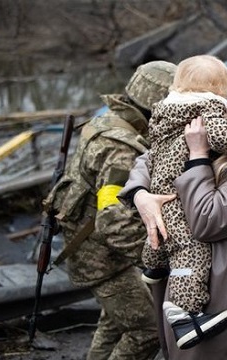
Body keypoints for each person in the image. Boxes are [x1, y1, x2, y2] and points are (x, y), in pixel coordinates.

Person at [118, 43, 227, 360]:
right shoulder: (214, 127)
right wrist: (141, 196)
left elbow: (207, 220)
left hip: (224, 301)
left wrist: (199, 156)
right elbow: (150, 159)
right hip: (180, 285)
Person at [42, 60, 176, 360]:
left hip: (98, 247)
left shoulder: (109, 120)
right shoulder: (121, 150)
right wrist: (160, 261)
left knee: (117, 321)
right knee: (150, 330)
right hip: (100, 256)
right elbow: (113, 222)